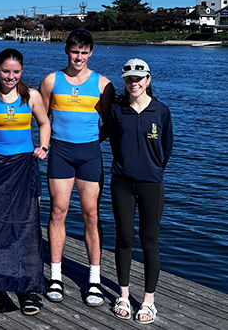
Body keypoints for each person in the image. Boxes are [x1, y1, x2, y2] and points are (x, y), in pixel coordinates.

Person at [38, 29, 115, 307]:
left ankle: (94, 280)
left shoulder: (103, 84)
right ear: (67, 51)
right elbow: (42, 118)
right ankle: (56, 276)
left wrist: (92, 141)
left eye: (84, 52)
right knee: (58, 211)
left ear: (91, 52)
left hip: (89, 153)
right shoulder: (50, 81)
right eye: (74, 51)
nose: (79, 56)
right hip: (60, 151)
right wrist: (43, 147)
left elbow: (110, 124)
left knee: (91, 215)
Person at [0, 49, 50, 315]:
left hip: (25, 168)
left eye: (16, 72)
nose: (10, 76)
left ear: (22, 71)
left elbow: (44, 123)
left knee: (27, 228)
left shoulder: (32, 96)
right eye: (6, 71)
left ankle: (28, 289)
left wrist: (43, 147)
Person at [109, 59, 172, 324]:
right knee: (124, 238)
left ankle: (148, 301)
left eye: (139, 78)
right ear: (124, 81)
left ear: (148, 80)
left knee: (149, 241)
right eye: (129, 79)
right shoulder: (116, 110)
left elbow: (166, 148)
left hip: (151, 183)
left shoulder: (161, 111)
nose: (133, 83)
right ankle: (123, 295)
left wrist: (151, 170)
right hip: (122, 181)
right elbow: (113, 141)